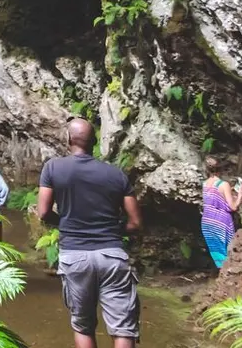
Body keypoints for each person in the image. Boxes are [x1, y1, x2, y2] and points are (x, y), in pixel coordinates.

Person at [37, 118, 142, 348]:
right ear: (94, 142)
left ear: (68, 139)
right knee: (123, 328)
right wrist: (113, 230)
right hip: (112, 256)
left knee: (83, 326)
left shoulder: (53, 168)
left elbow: (43, 212)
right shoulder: (116, 175)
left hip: (75, 256)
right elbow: (135, 223)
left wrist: (64, 223)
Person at [202, 155, 242, 268]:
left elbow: (213, 199)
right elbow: (233, 207)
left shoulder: (205, 184)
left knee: (217, 251)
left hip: (207, 222)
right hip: (220, 222)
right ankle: (228, 274)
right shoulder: (223, 184)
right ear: (220, 169)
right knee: (227, 251)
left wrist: (228, 192)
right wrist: (240, 194)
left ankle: (221, 274)